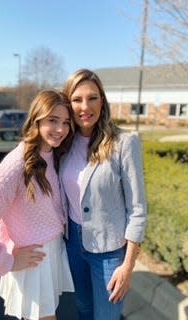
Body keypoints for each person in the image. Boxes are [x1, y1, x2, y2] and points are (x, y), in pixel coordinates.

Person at [0, 90, 75, 320]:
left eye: (66, 122)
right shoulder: (17, 163)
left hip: (50, 254)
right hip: (34, 261)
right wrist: (5, 261)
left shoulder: (52, 155)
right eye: (53, 120)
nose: (60, 129)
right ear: (36, 120)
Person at [60, 69, 147, 320]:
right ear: (68, 104)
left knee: (107, 316)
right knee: (83, 309)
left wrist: (128, 265)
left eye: (92, 98)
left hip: (110, 252)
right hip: (74, 244)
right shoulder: (63, 143)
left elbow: (138, 209)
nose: (85, 107)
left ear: (102, 101)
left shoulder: (124, 143)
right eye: (77, 99)